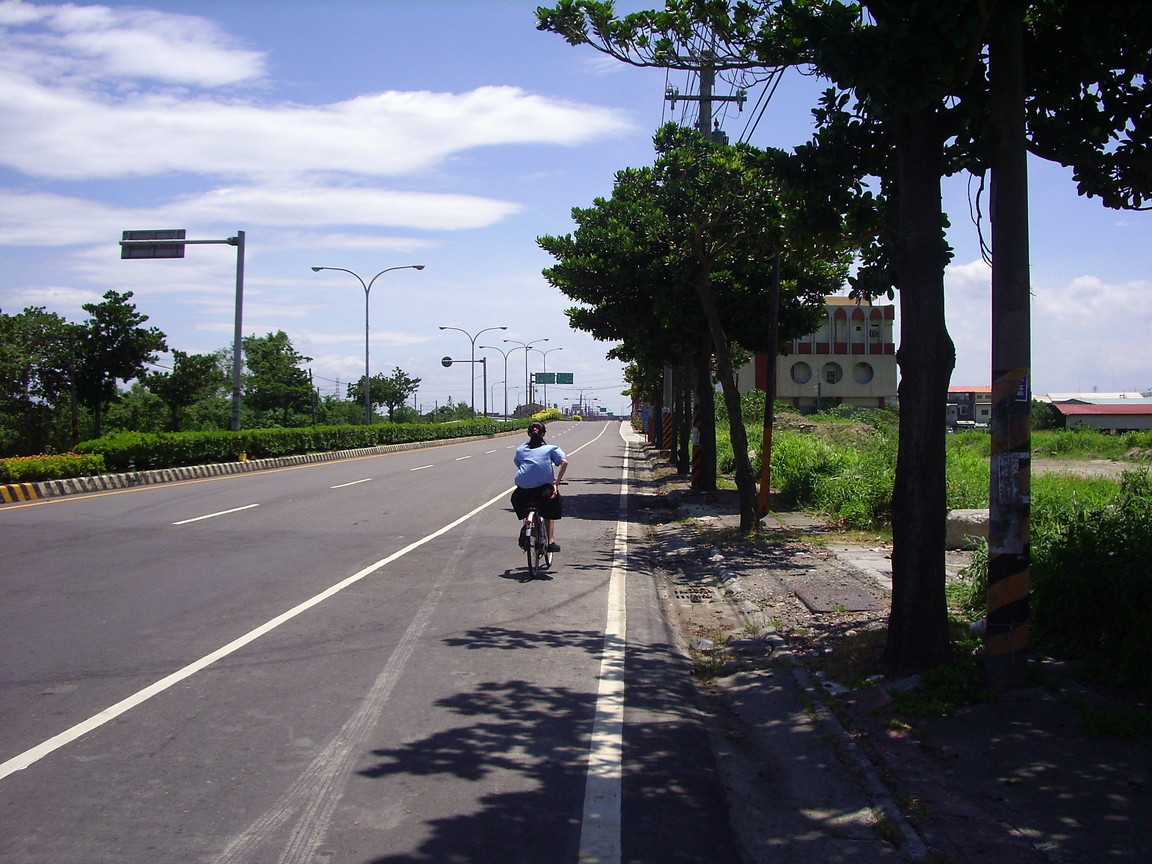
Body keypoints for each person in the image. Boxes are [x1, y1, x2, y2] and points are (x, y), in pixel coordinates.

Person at [511, 420, 568, 552]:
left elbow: (521, 466)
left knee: (524, 505)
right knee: (550, 509)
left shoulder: (521, 449)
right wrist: (556, 483)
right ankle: (550, 541)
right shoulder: (551, 448)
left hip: (522, 491)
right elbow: (564, 462)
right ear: (543, 434)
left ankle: (527, 526)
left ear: (528, 434)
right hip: (542, 490)